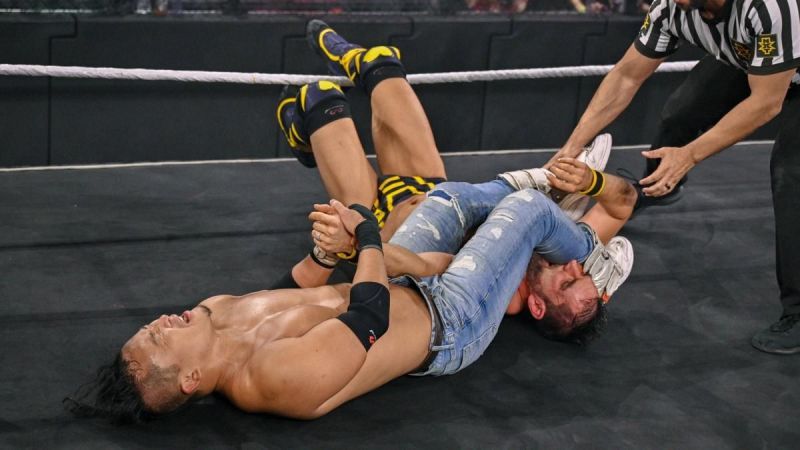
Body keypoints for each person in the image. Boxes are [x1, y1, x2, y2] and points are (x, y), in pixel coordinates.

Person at [65, 21, 638, 424]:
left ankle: (550, 211)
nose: (160, 322)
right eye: (158, 340)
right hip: (448, 322)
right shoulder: (272, 381)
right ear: (190, 381)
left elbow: (293, 293)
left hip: (401, 274)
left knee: (445, 201)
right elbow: (368, 317)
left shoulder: (217, 311)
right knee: (526, 208)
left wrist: (322, 252)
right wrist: (362, 234)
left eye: (146, 328)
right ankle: (586, 250)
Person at [272, 20, 612, 289]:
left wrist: (355, 244)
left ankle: (303, 136)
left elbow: (415, 267)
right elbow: (614, 212)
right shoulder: (551, 244)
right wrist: (584, 183)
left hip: (375, 222)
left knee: (319, 98)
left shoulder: (504, 287)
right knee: (382, 64)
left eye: (569, 280)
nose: (569, 270)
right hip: (431, 187)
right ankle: (353, 62)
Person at [549, 0, 800, 354]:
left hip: (785, 72)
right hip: (750, 60)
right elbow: (626, 75)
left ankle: (798, 312)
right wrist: (571, 148)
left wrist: (689, 155)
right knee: (680, 114)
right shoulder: (670, 7)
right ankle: (656, 189)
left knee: (791, 175)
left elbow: (766, 103)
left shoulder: (768, 7)